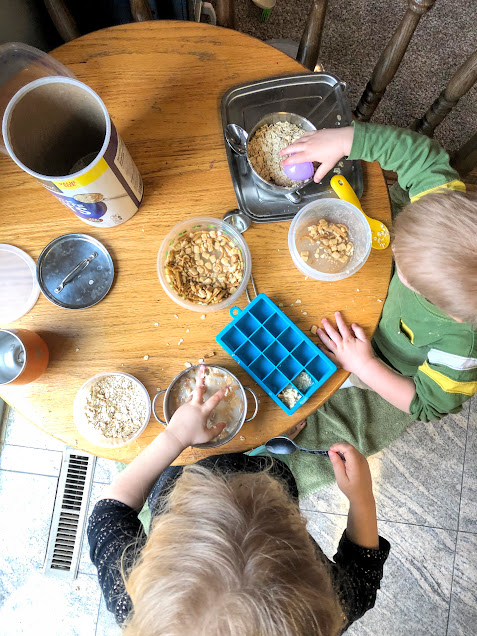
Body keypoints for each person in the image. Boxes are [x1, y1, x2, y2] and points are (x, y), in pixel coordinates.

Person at [88, 367, 390, 635]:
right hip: (261, 477)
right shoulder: (319, 613)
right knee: (276, 474)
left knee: (169, 477)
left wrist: (176, 437)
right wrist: (360, 498)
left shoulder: (140, 601)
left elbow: (108, 513)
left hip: (176, 482)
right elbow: (362, 574)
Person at [281, 123, 477, 422]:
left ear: (454, 315)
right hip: (374, 305)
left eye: (407, 275)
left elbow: (427, 406)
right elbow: (419, 154)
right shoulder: (445, 204)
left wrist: (363, 365)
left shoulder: (463, 348)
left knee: (328, 379)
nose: (394, 250)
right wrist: (346, 140)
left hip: (384, 356)